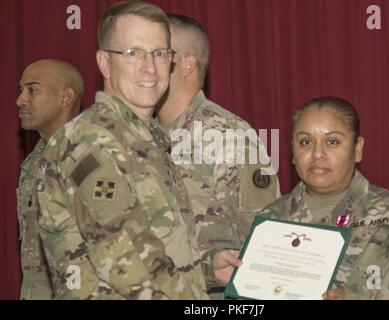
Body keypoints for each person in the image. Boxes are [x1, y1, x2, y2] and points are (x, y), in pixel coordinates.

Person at [36, 1, 221, 299]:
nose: (150, 68)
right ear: (105, 63)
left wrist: (208, 267)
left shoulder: (147, 137)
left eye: (160, 54)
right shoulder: (90, 142)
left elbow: (156, 249)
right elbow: (129, 269)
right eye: (133, 53)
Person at [260, 96, 389, 299]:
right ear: (292, 151)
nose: (317, 154)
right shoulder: (269, 219)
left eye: (332, 141)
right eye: (305, 142)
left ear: (357, 149)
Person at [156, 14, 280, 296]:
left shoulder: (228, 134)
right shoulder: (142, 135)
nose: (144, 65)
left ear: (187, 64)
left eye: (158, 54)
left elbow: (262, 240)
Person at [16, 59, 83, 299]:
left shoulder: (85, 157)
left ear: (65, 98)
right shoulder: (37, 157)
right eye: (21, 90)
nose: (20, 100)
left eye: (32, 90)